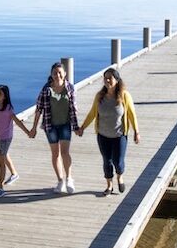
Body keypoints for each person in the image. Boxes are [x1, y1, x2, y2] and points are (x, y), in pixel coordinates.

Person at [77, 67, 140, 195]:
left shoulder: (124, 96)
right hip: (103, 135)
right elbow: (92, 113)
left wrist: (136, 132)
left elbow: (132, 114)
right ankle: (109, 185)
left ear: (116, 80)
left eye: (109, 78)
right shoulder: (100, 96)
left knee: (118, 161)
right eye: (105, 78)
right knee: (107, 160)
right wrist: (83, 127)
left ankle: (120, 176)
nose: (107, 81)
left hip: (119, 135)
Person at [29, 61, 80, 193]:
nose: (57, 75)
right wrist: (34, 128)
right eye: (54, 73)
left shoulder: (70, 88)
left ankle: (69, 178)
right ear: (51, 75)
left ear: (64, 73)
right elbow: (39, 109)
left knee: (65, 153)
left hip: (65, 125)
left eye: (59, 72)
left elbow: (74, 109)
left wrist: (76, 127)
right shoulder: (46, 90)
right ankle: (60, 181)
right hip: (50, 126)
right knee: (55, 154)